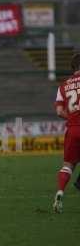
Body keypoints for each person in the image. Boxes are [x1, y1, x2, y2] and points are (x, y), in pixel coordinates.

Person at [53, 53, 80, 213]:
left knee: (68, 165)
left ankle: (60, 191)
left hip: (73, 128)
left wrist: (71, 117)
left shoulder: (63, 86)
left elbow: (59, 111)